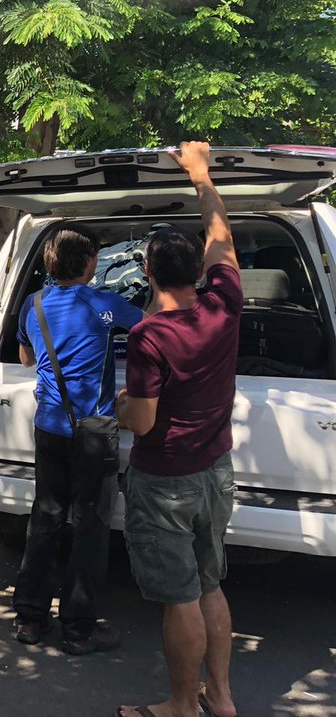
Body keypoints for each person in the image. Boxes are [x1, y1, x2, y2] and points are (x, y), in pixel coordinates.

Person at [115, 142, 241, 717]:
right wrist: (201, 175)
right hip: (217, 471)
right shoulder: (223, 305)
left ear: (146, 272)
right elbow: (223, 242)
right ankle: (221, 697)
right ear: (200, 271)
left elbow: (141, 420)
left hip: (165, 478)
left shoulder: (150, 338)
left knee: (182, 597)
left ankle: (181, 707)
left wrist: (119, 402)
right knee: (211, 585)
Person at [12, 223, 144, 655]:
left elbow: (27, 356)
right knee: (89, 527)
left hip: (48, 427)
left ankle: (30, 618)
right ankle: (78, 628)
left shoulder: (32, 305)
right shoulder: (105, 304)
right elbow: (150, 326)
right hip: (93, 432)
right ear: (89, 263)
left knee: (45, 519)